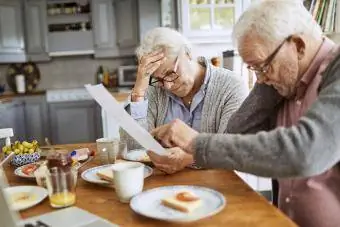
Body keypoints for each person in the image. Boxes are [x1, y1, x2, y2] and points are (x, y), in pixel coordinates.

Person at [149, 1, 340, 227]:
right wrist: (268, 73)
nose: (259, 79)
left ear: (298, 45)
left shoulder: (335, 71)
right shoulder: (285, 83)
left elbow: (305, 152)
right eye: (253, 69)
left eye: (262, 66)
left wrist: (195, 142)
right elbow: (237, 131)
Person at [120, 27, 248, 174]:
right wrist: (138, 94)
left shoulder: (231, 86)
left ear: (187, 53)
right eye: (159, 79)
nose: (167, 85)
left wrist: (191, 158)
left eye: (170, 73)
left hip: (216, 186)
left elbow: (232, 152)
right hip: (163, 187)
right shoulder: (154, 89)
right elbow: (133, 149)